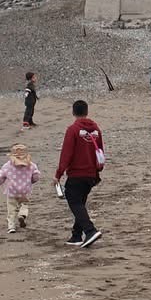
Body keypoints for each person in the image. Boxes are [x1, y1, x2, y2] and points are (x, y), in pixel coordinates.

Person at [55, 99, 105, 248]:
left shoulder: (73, 130)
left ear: (73, 112)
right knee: (80, 202)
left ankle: (90, 230)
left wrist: (58, 174)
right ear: (87, 111)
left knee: (74, 200)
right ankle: (76, 235)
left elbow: (66, 154)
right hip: (91, 174)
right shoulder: (96, 130)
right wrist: (97, 171)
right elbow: (100, 151)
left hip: (77, 173)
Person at [0, 143, 41, 235]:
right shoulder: (31, 165)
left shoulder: (8, 166)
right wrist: (31, 181)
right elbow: (36, 176)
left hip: (12, 191)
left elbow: (0, 176)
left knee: (11, 209)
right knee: (24, 205)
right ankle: (22, 215)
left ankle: (11, 226)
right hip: (25, 191)